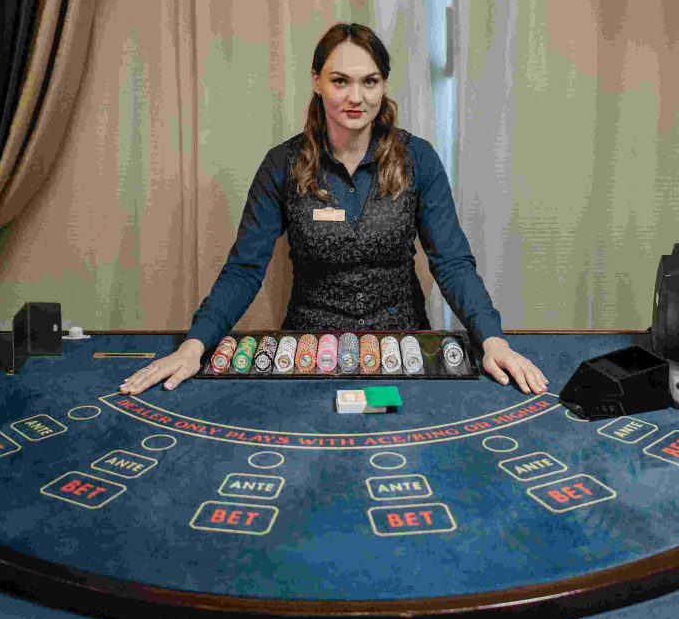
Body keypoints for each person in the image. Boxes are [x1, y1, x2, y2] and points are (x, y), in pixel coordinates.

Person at [119, 23, 548, 397]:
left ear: (383, 85)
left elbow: (452, 262)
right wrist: (194, 345)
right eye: (340, 81)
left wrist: (492, 339)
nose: (355, 97)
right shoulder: (282, 164)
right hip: (308, 352)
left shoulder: (419, 159)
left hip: (402, 349)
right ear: (316, 81)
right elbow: (245, 269)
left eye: (369, 81)